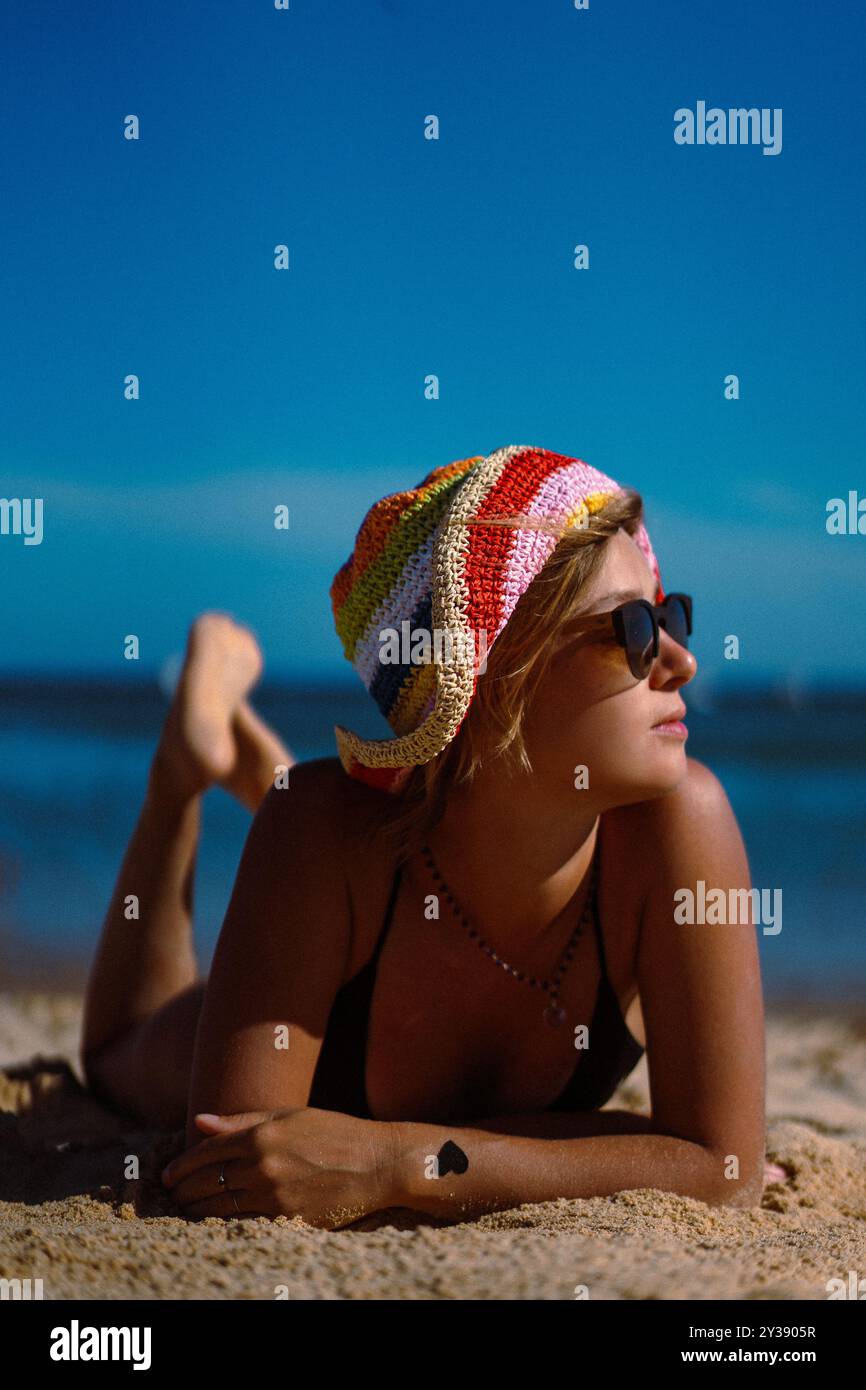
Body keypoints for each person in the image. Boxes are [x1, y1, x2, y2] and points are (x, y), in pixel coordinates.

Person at [80, 445, 768, 1228]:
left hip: (400, 847)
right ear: (489, 672)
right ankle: (182, 771)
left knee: (397, 824)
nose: (681, 659)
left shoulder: (682, 828)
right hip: (347, 887)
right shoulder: (316, 831)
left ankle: (233, 752)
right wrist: (623, 1147)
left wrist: (402, 1161)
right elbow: (235, 1169)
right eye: (634, 629)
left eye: (671, 612)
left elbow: (723, 1166)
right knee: (114, 1058)